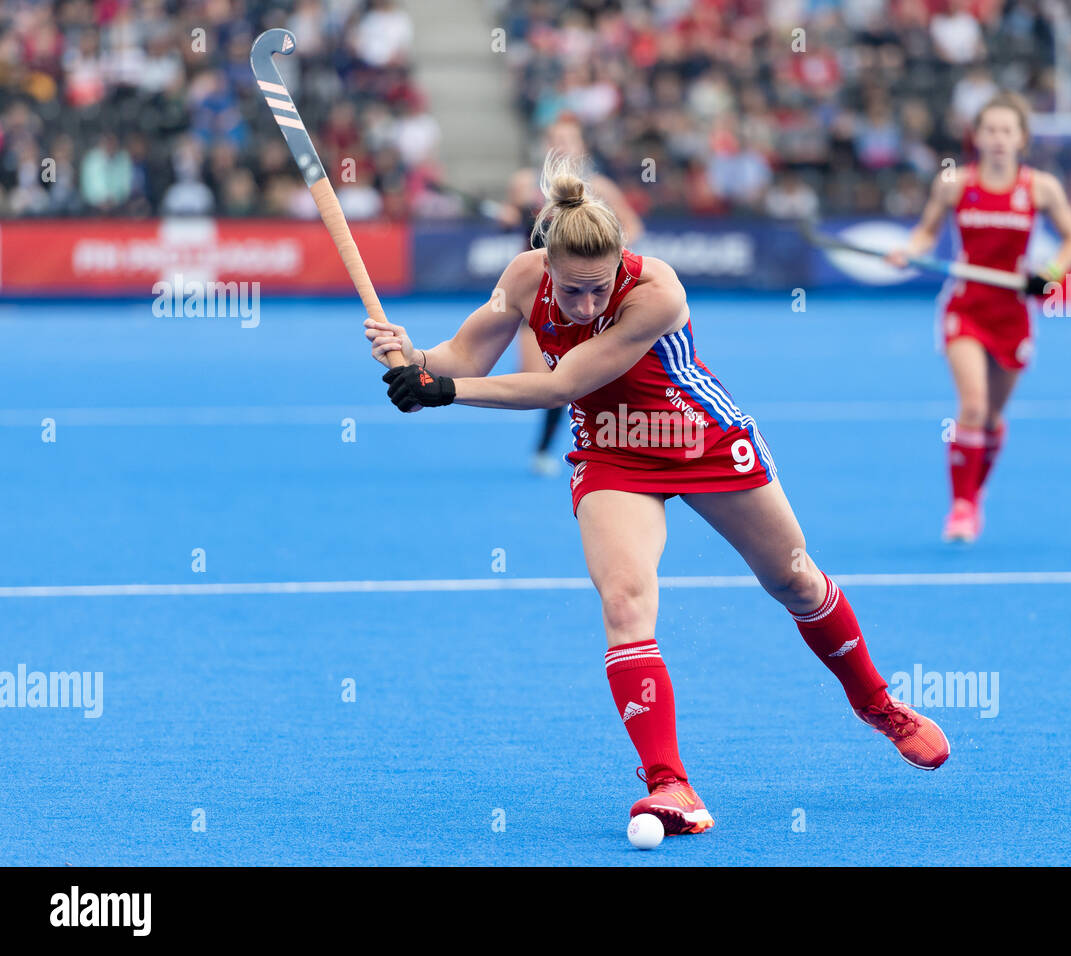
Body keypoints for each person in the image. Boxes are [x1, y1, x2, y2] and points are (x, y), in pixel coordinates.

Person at [365, 151, 950, 836]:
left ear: (621, 263)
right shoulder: (524, 278)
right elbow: (465, 357)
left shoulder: (657, 292)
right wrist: (415, 358)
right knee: (625, 600)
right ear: (544, 263)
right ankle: (671, 785)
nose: (586, 304)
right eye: (572, 291)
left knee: (795, 582)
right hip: (612, 452)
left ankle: (877, 702)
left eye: (598, 288)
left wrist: (443, 394)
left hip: (699, 438)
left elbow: (560, 385)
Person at [888, 92, 1071, 543]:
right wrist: (908, 252)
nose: (997, 138)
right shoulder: (955, 184)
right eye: (989, 130)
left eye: (1006, 131)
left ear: (1022, 139)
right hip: (966, 308)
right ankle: (961, 508)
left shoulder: (1041, 188)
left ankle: (975, 492)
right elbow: (926, 231)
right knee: (972, 406)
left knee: (993, 417)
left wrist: (1049, 273)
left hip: (1013, 313)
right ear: (976, 136)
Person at [500, 115, 644, 476]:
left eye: (570, 139)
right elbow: (512, 222)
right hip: (534, 292)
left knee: (565, 380)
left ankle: (552, 448)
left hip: (578, 296)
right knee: (535, 375)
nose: (563, 145)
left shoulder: (600, 188)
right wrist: (508, 217)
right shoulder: (523, 184)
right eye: (556, 139)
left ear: (582, 147)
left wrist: (605, 256)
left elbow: (632, 226)